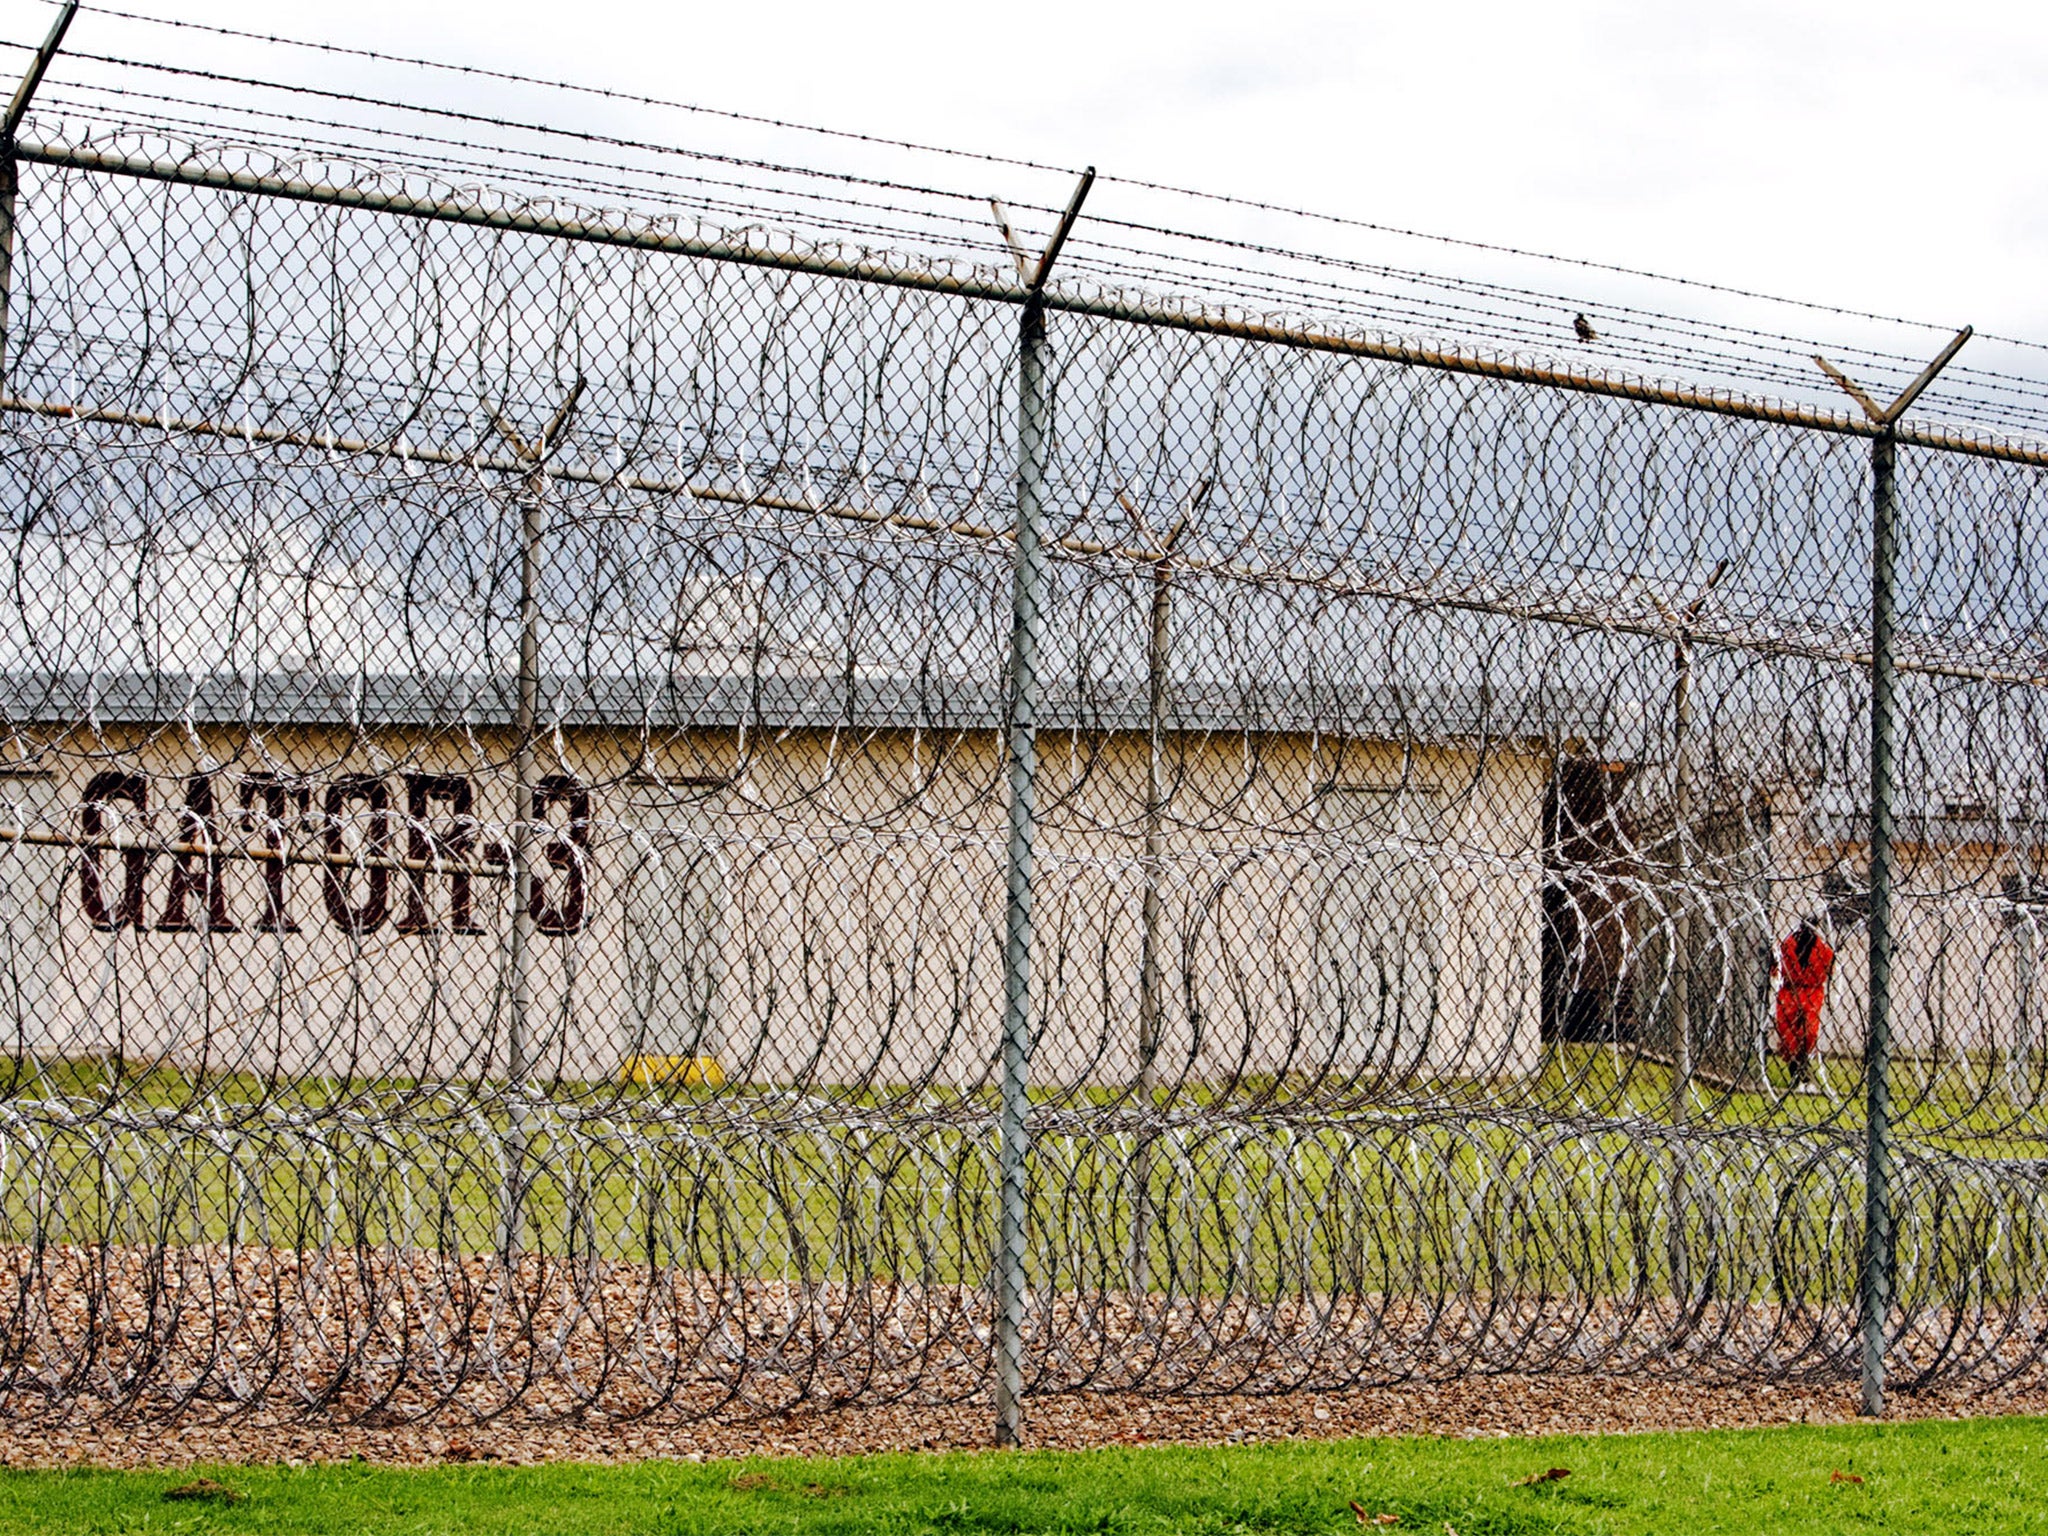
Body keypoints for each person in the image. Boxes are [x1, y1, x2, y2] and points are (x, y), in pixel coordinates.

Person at [1774, 917, 1834, 1084]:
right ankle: (1795, 1065)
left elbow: (1830, 969)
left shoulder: (1823, 949)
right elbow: (1776, 969)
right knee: (1788, 1033)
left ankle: (1802, 1060)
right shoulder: (1786, 946)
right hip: (1789, 991)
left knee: (1809, 1032)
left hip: (1812, 991)